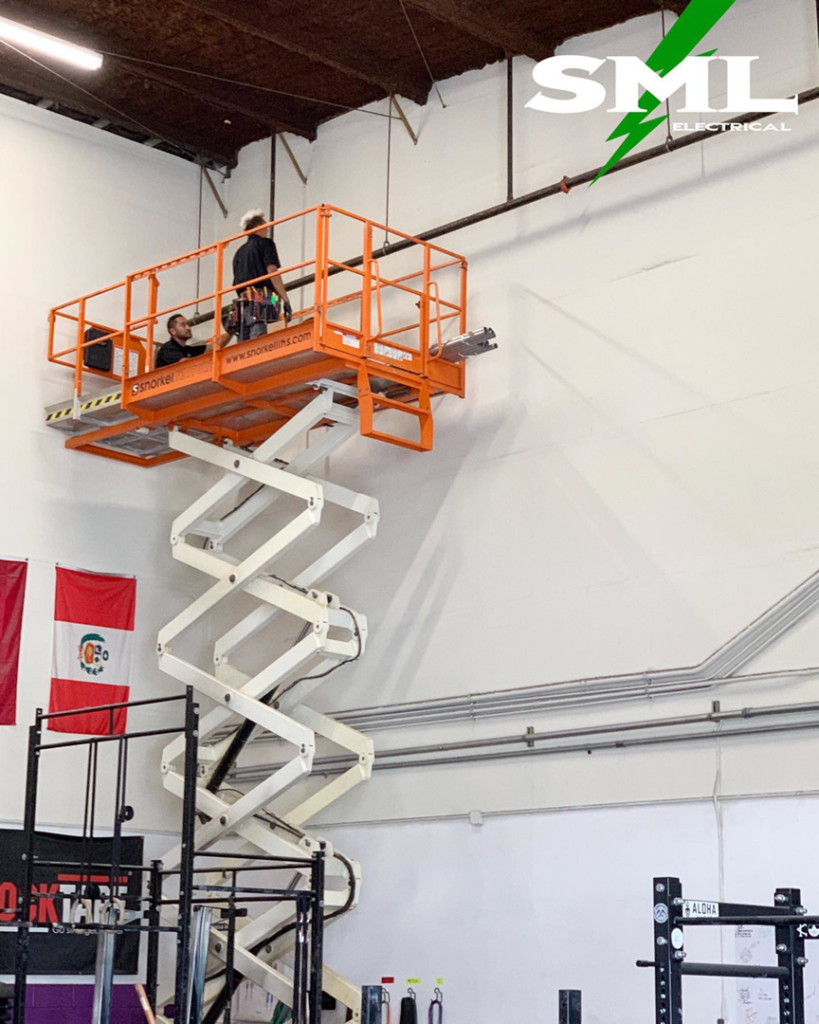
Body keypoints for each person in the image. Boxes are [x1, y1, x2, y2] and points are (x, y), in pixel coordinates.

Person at [228, 209, 292, 341]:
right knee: (262, 341)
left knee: (245, 347)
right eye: (265, 226)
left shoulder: (239, 253)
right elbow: (273, 272)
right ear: (258, 226)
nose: (267, 230)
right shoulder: (266, 244)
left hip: (242, 304)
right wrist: (285, 300)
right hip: (265, 299)